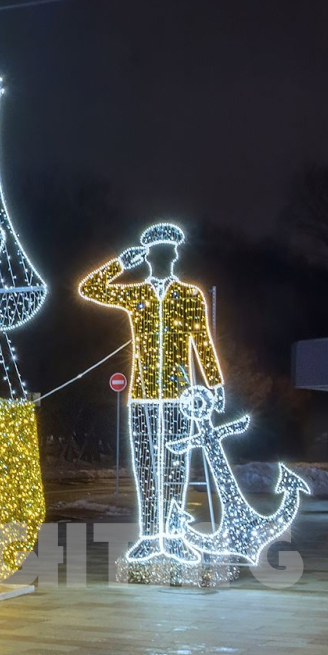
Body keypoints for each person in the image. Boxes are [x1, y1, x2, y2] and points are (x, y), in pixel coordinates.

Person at [79, 222, 223, 563]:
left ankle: (172, 536)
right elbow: (90, 288)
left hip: (178, 397)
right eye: (159, 253)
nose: (167, 257)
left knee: (175, 467)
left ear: (174, 256)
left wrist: (215, 383)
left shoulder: (189, 296)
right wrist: (119, 264)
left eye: (169, 252)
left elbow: (202, 342)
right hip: (142, 396)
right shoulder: (136, 294)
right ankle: (150, 535)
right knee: (146, 469)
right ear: (149, 258)